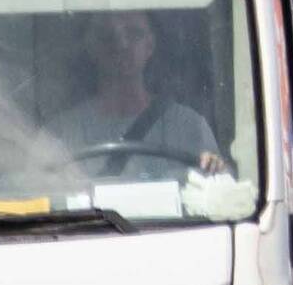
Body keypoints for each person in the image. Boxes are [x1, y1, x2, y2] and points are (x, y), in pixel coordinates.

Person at [50, 9, 224, 169]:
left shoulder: (189, 127)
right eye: (107, 36)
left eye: (134, 34)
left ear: (150, 45)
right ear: (90, 46)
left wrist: (214, 168)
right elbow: (33, 193)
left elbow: (220, 192)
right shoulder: (60, 134)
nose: (122, 44)